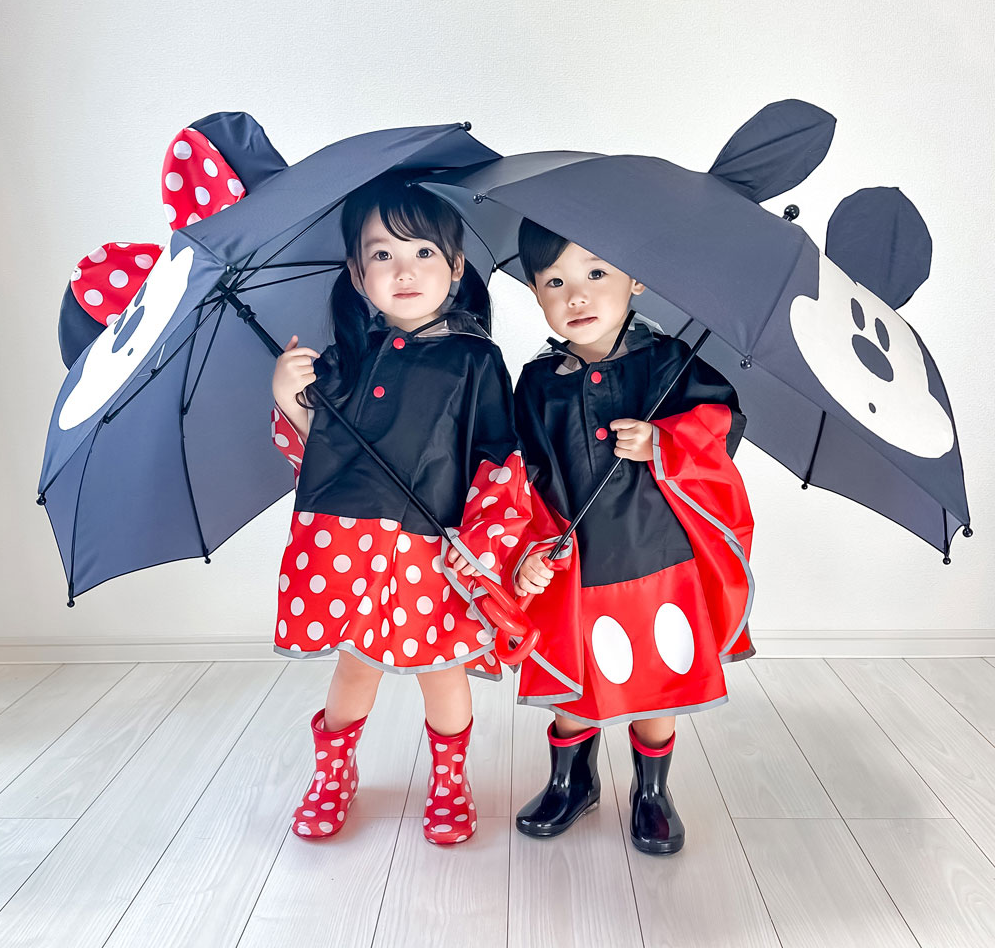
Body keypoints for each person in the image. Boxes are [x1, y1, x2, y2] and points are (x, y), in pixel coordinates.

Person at [270, 174, 529, 845]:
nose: (404, 271)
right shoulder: (342, 362)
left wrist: (484, 543)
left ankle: (449, 780)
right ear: (357, 273)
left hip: (431, 550)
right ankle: (333, 774)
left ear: (456, 267)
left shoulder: (475, 360)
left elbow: (499, 457)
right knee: (354, 664)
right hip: (347, 545)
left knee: (440, 668)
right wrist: (291, 399)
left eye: (423, 253)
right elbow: (316, 455)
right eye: (382, 254)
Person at [509, 219, 755, 855]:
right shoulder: (537, 383)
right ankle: (572, 781)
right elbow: (522, 474)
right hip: (577, 564)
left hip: (657, 558)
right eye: (554, 282)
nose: (577, 296)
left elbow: (721, 426)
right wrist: (531, 548)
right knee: (573, 683)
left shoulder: (669, 363)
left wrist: (662, 443)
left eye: (596, 272)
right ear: (535, 293)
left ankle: (652, 792)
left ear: (636, 278)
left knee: (657, 677)